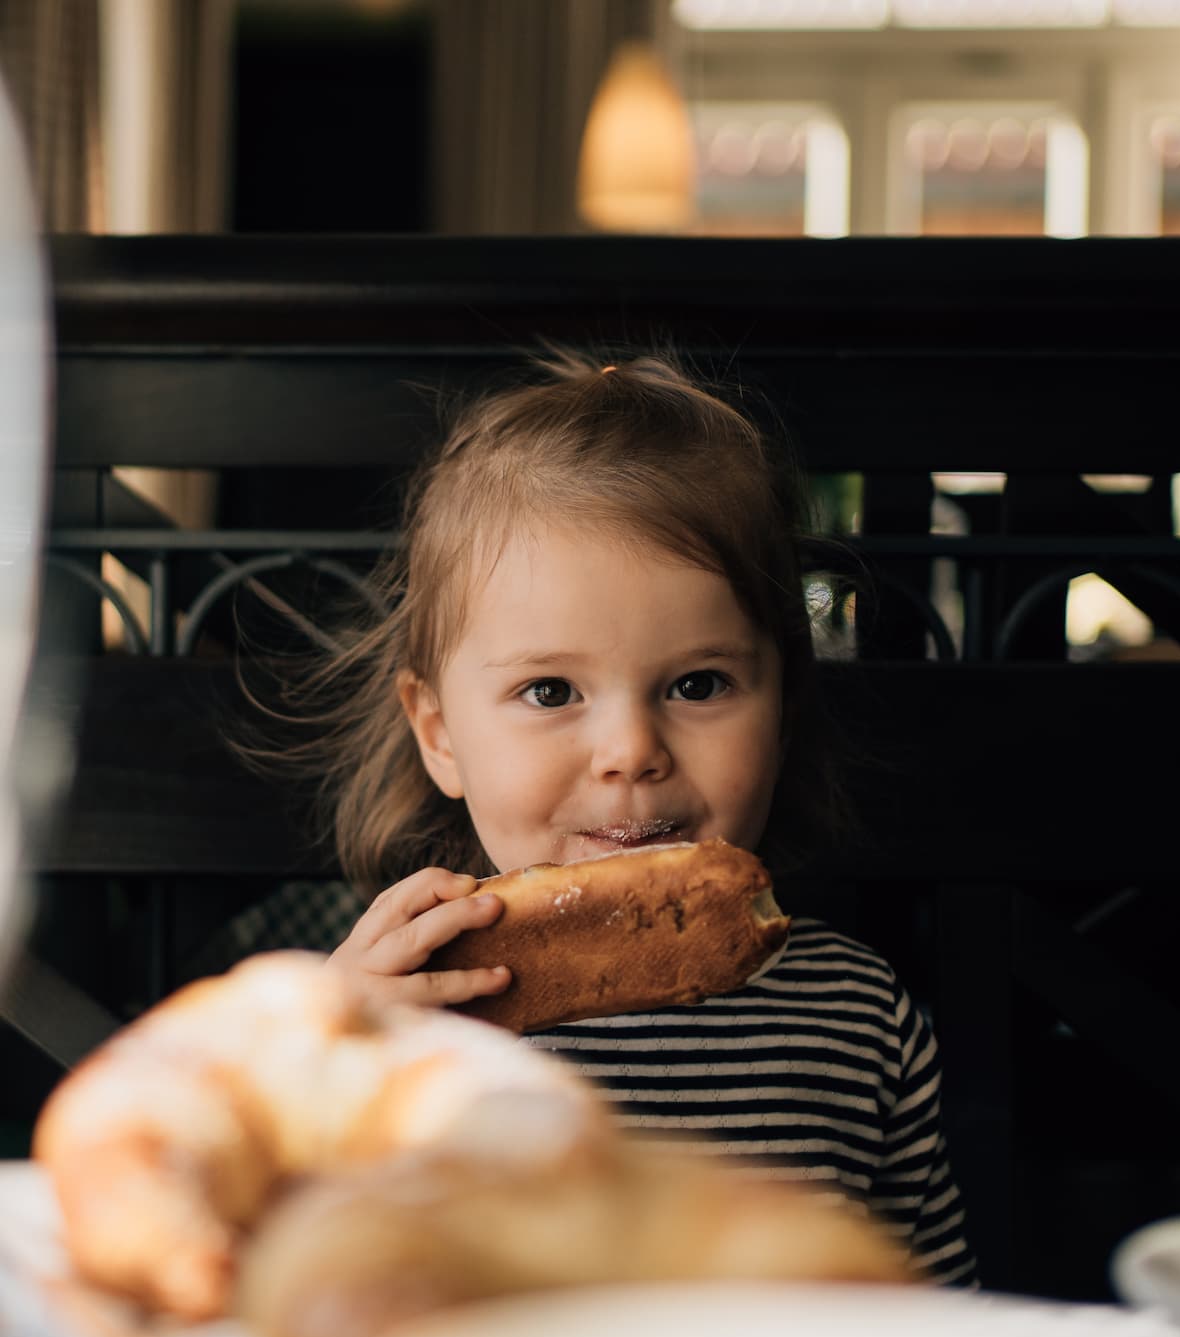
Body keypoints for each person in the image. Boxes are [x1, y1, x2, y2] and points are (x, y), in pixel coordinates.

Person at [271, 346, 976, 1286]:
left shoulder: (860, 1018)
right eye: (552, 689)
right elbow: (278, 1292)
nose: (630, 749)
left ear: (784, 710)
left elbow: (927, 1329)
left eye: (698, 683)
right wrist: (325, 1084)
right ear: (439, 734)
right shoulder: (406, 1013)